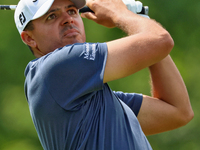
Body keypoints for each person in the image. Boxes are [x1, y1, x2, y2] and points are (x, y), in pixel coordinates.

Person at [14, 0, 194, 149]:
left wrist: (140, 19)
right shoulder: (55, 68)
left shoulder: (92, 98)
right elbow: (160, 41)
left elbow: (178, 111)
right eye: (51, 16)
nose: (68, 19)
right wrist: (120, 13)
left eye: (71, 11)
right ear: (29, 38)